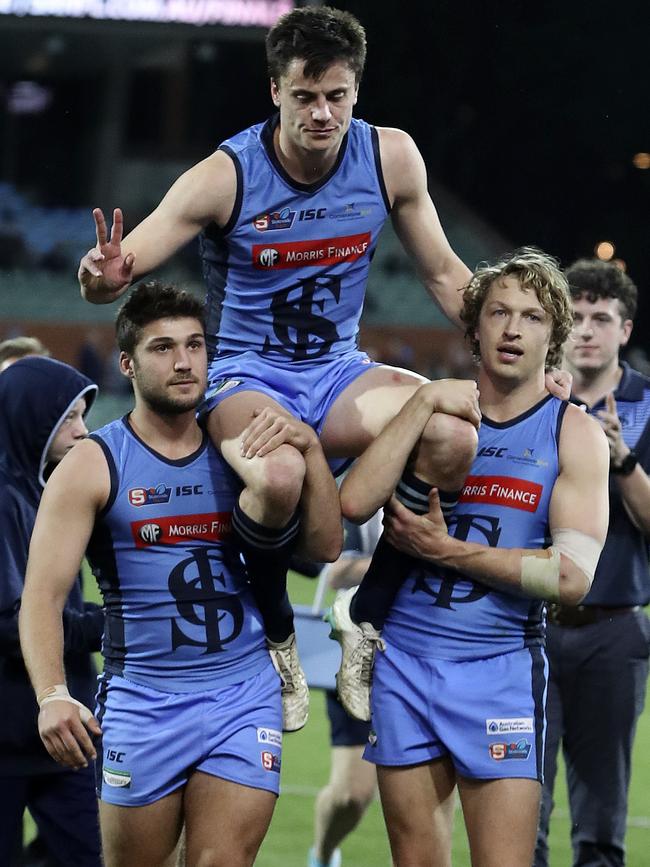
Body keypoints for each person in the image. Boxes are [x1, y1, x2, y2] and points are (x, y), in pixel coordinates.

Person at [76, 4, 504, 730]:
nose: (322, 113)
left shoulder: (390, 157)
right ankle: (277, 633)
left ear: (356, 90)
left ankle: (364, 618)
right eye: (305, 96)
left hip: (337, 371)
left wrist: (513, 349)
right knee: (278, 477)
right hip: (244, 376)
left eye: (337, 96)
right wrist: (100, 275)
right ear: (274, 89)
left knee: (455, 433)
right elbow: (121, 268)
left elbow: (442, 274)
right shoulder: (225, 175)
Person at [19, 281, 341, 867]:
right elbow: (40, 595)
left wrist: (311, 451)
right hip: (142, 700)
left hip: (242, 690)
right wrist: (52, 695)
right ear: (127, 364)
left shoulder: (243, 450)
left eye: (195, 345)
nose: (185, 361)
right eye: (163, 348)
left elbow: (323, 548)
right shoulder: (95, 463)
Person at [334, 248, 610, 866]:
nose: (512, 329)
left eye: (533, 317)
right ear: (474, 327)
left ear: (554, 336)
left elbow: (569, 578)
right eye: (498, 313)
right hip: (403, 664)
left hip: (500, 673)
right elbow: (353, 503)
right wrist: (424, 403)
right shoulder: (431, 414)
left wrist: (446, 550)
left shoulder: (572, 433)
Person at [535, 260, 650, 867]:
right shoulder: (534, 399)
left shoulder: (648, 406)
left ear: (624, 331)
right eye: (575, 317)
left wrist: (622, 459)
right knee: (520, 808)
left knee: (601, 818)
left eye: (600, 319)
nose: (585, 330)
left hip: (614, 628)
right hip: (532, 626)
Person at [0, 356, 102, 867]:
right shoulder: (4, 498)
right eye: (68, 418)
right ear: (28, 416)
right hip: (15, 732)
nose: (83, 432)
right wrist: (108, 626)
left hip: (64, 732)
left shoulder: (42, 492)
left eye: (83, 416)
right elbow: (7, 622)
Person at [308, 511, 382, 867]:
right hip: (360, 654)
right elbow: (337, 571)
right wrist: (413, 556)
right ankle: (322, 855)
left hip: (432, 651)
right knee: (352, 795)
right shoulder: (364, 487)